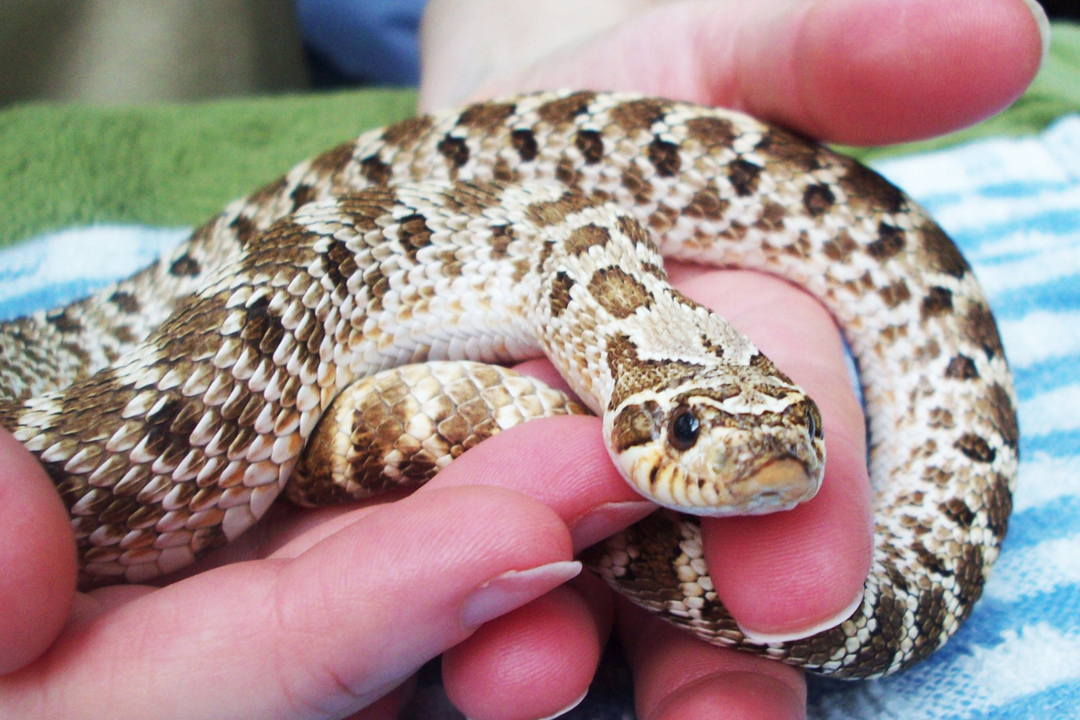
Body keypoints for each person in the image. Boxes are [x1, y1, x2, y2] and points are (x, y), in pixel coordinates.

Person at [0, 0, 1048, 717]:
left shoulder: (592, 256)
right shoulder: (549, 262)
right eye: (688, 431)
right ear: (637, 401)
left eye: (796, 430)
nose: (759, 466)